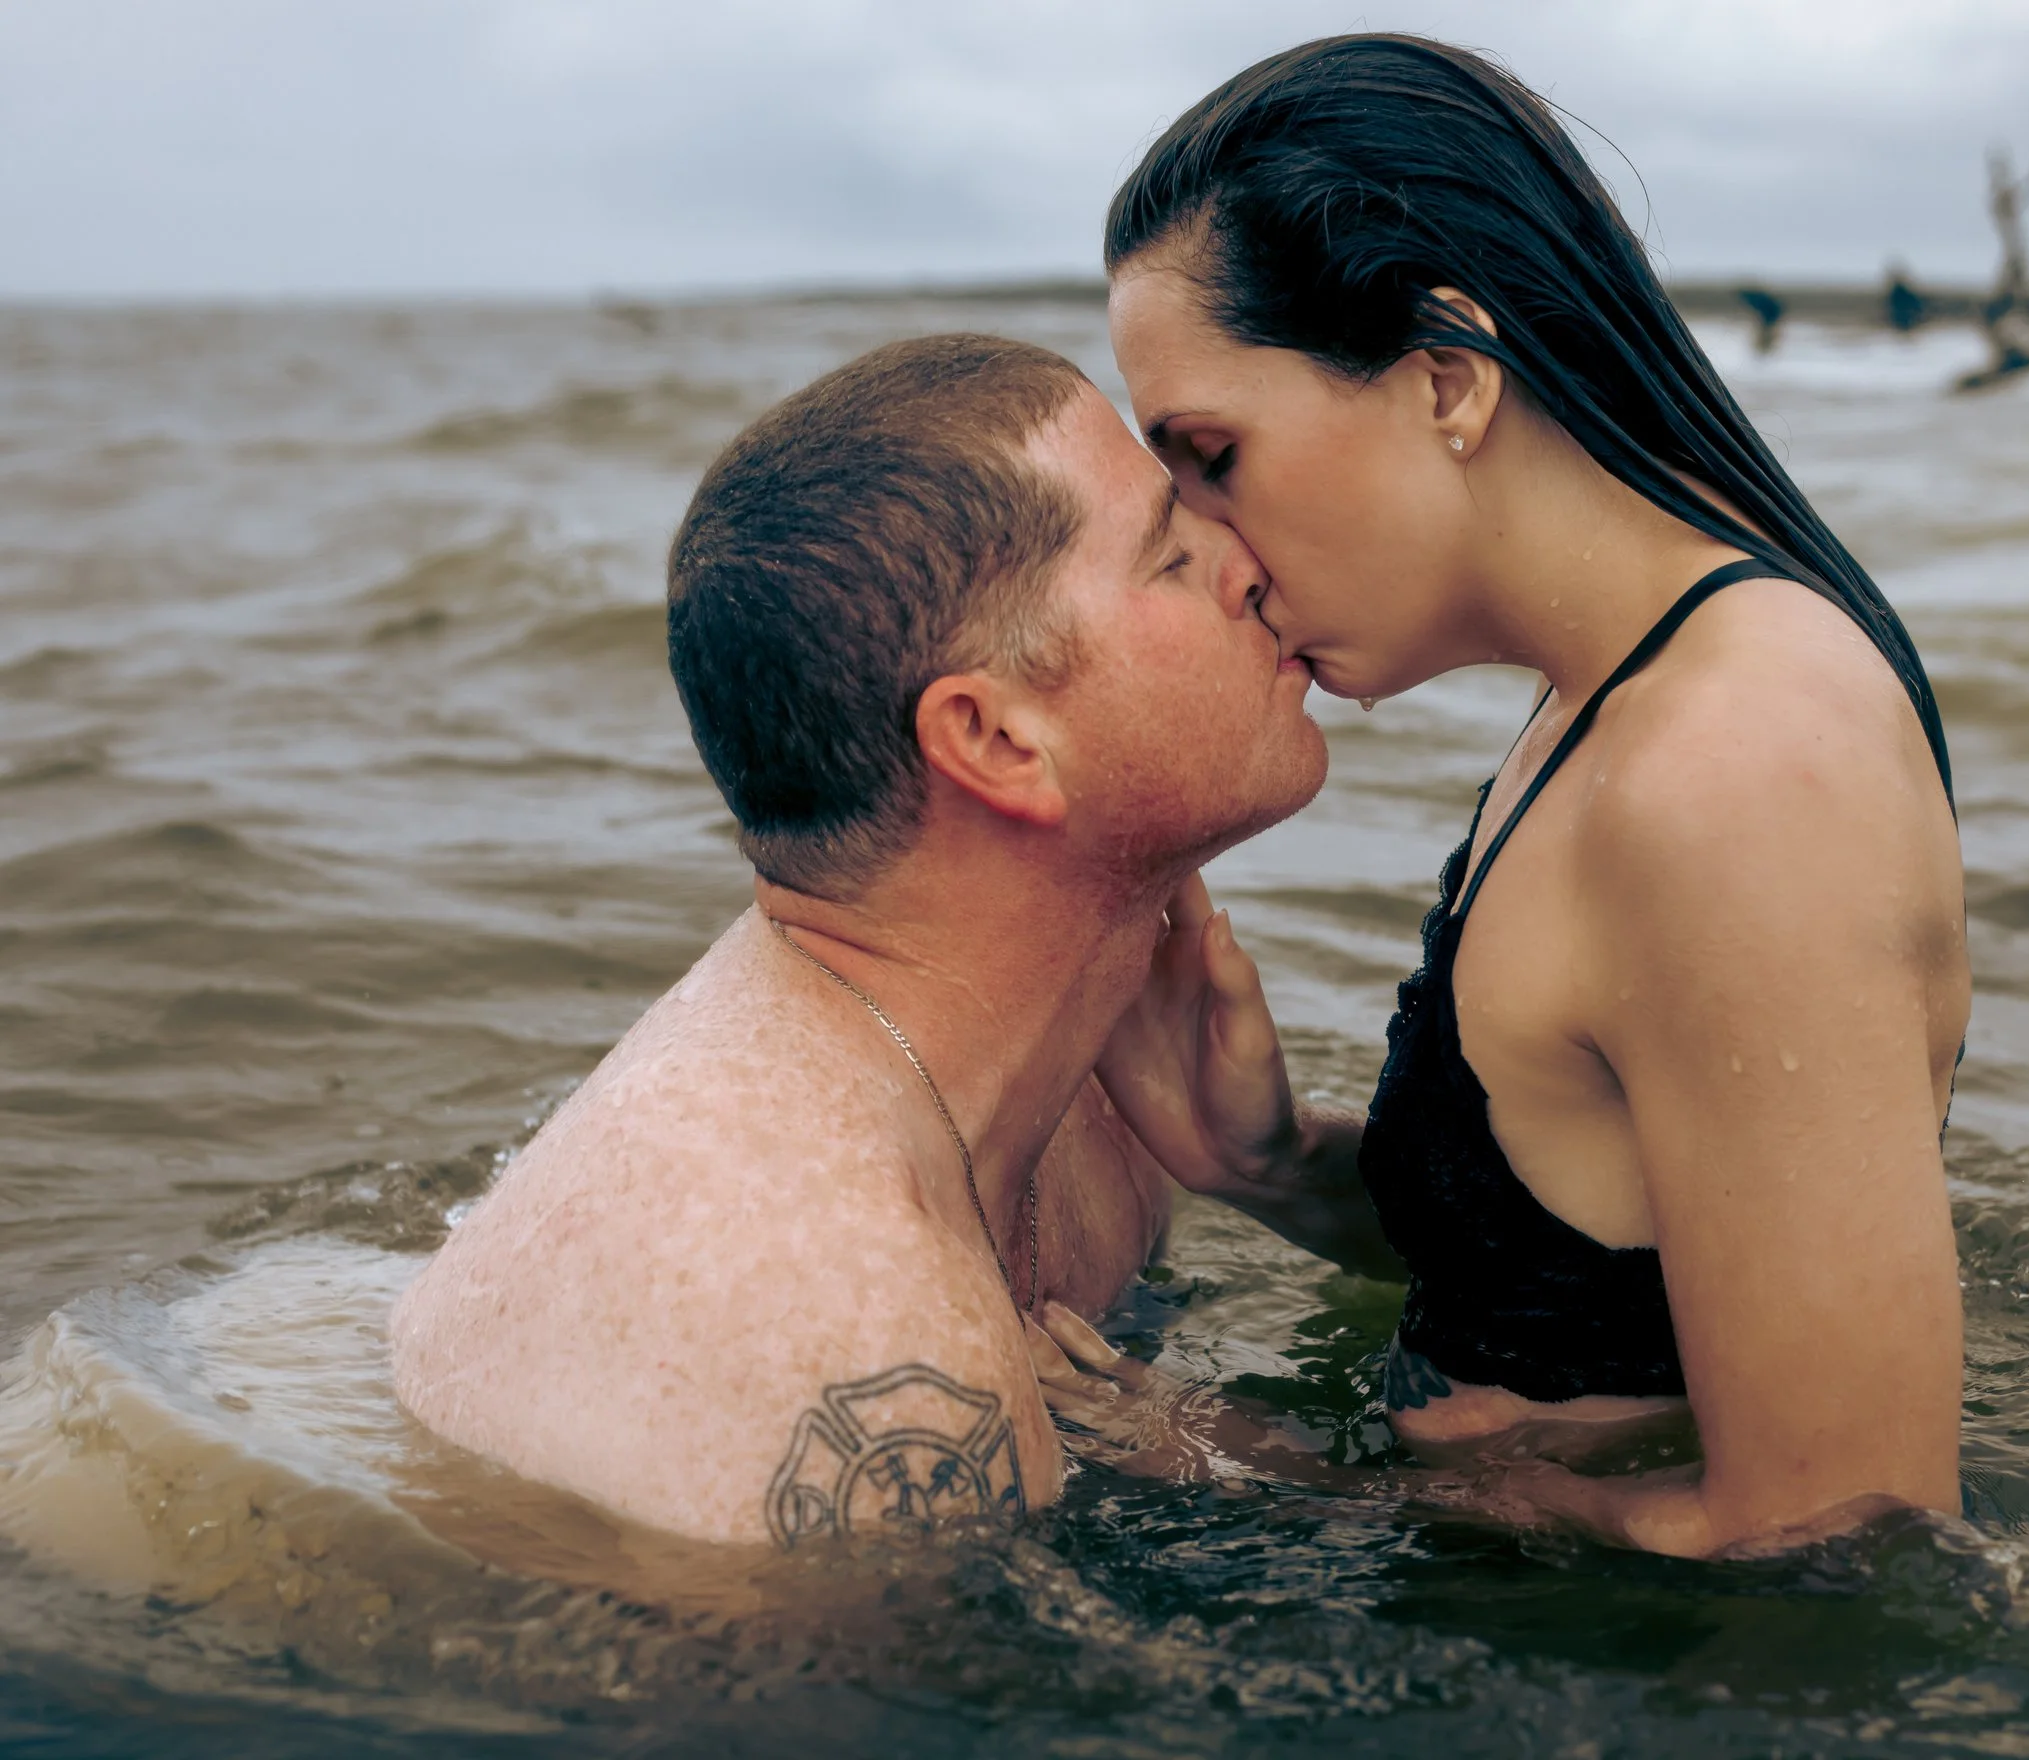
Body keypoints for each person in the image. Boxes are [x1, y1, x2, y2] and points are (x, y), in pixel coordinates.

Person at [1089, 35, 1972, 1558]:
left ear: (1445, 377)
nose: (1215, 551)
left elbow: (1843, 1527)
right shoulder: (1621, 693)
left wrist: (1265, 1475)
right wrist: (1272, 1165)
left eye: (1215, 458)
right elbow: (1595, 1263)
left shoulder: (1736, 772)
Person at [389, 333, 1329, 1547]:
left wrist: (1274, 1171)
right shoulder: (850, 1319)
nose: (1249, 563)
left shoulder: (1099, 1094)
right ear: (994, 740)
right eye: (1172, 553)